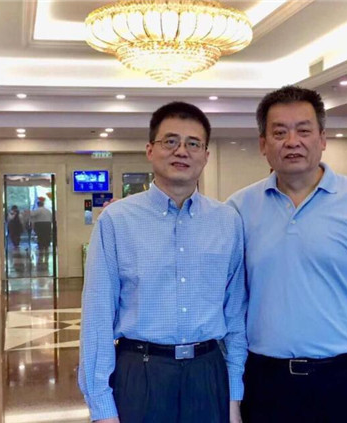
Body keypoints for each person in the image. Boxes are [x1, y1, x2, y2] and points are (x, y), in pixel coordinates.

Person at [227, 85, 347, 423]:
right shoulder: (239, 208)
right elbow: (229, 301)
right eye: (279, 132)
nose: (292, 141)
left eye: (304, 130)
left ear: (323, 138)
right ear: (263, 144)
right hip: (267, 381)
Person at [78, 102, 247, 423]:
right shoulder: (117, 220)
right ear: (150, 150)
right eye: (170, 141)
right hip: (140, 374)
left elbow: (236, 314)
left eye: (193, 143)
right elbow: (97, 316)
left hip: (208, 373)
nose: (181, 151)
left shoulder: (227, 221)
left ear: (206, 156)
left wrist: (233, 396)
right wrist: (101, 408)